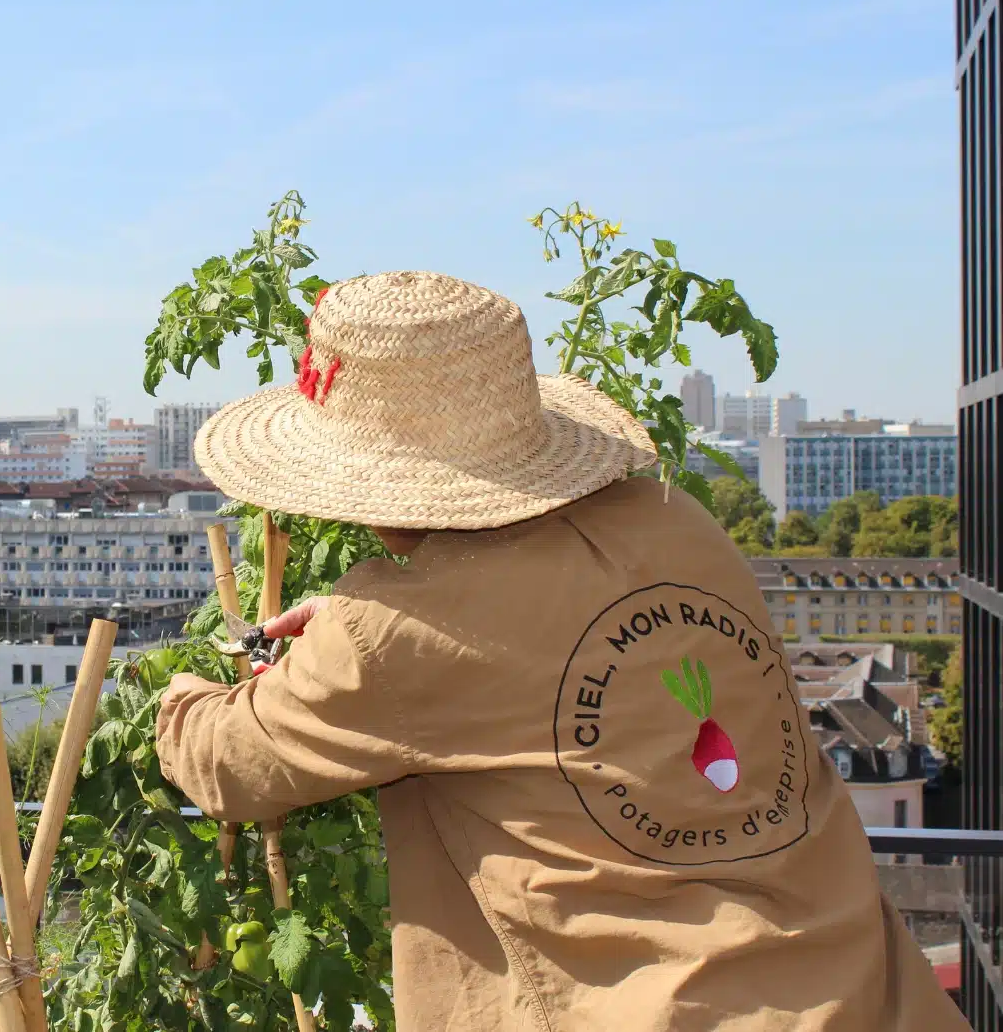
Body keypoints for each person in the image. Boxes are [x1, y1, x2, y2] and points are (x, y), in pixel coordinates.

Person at [155, 271, 968, 1031]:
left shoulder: (389, 637)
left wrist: (186, 689)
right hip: (865, 986)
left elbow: (222, 762)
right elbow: (526, 633)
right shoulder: (678, 520)